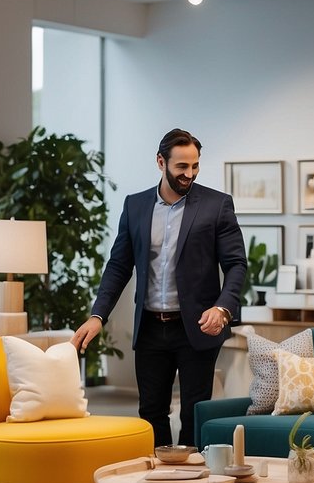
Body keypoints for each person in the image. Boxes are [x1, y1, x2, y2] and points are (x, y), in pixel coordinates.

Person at [71, 128, 247, 451]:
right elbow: (118, 266)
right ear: (160, 161)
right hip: (151, 328)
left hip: (197, 328)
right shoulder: (135, 206)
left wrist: (223, 308)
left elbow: (236, 265)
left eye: (194, 166)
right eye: (181, 167)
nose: (189, 174)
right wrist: (98, 315)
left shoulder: (216, 205)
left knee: (195, 414)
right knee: (151, 413)